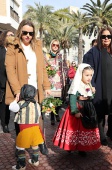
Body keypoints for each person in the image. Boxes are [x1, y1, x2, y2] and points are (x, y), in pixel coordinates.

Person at [5, 19, 51, 156]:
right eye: (25, 32)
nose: (28, 36)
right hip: (21, 88)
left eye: (30, 33)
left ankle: (42, 142)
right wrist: (17, 90)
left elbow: (42, 67)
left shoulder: (37, 45)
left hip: (35, 88)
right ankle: (20, 145)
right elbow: (10, 70)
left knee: (39, 116)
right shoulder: (13, 46)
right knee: (21, 117)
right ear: (20, 31)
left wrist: (47, 86)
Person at [83, 26, 112, 145]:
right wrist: (91, 85)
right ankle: (102, 135)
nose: (106, 38)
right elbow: (87, 70)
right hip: (101, 87)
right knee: (101, 112)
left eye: (108, 36)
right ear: (100, 38)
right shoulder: (94, 52)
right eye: (103, 36)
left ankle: (110, 132)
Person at [53, 63, 100, 156]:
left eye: (91, 75)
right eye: (87, 75)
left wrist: (93, 93)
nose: (89, 77)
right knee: (74, 129)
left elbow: (90, 97)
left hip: (87, 109)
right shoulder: (76, 85)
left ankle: (82, 148)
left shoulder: (89, 85)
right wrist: (75, 111)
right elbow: (72, 98)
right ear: (80, 74)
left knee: (84, 129)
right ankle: (70, 146)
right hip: (77, 110)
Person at [10, 84, 44, 169]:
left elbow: (11, 107)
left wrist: (15, 100)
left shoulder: (20, 103)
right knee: (35, 145)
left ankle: (21, 165)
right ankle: (35, 161)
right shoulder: (36, 104)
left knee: (20, 147)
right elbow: (39, 114)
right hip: (36, 128)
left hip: (24, 129)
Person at [45, 39, 65, 125]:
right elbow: (44, 66)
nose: (55, 47)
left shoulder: (60, 56)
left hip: (59, 81)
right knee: (51, 100)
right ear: (51, 45)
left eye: (57, 45)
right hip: (50, 80)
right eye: (54, 45)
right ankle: (52, 117)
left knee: (59, 100)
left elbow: (63, 67)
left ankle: (56, 114)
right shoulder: (46, 55)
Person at [0, 30, 15, 133]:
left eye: (13, 35)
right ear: (4, 37)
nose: (11, 37)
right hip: (1, 82)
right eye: (9, 35)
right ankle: (4, 125)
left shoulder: (15, 50)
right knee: (2, 106)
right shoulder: (1, 50)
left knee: (9, 105)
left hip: (11, 83)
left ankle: (6, 123)